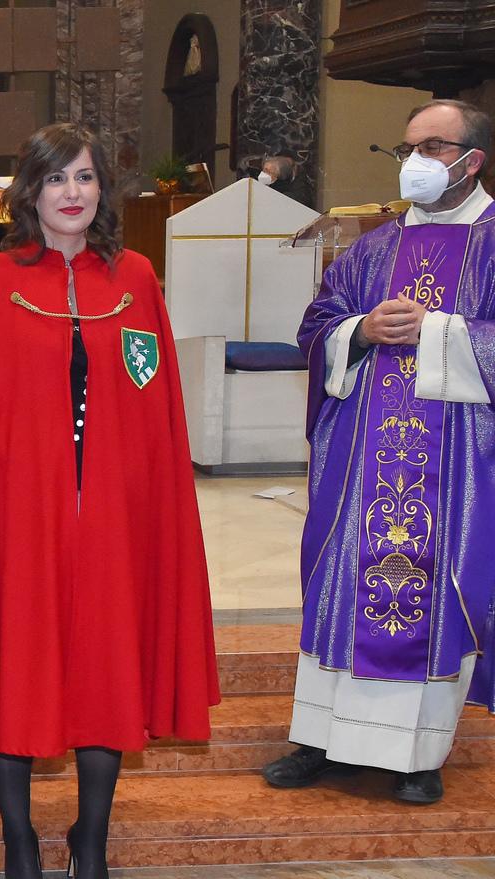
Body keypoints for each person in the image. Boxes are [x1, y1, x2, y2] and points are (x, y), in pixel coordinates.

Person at [0, 123, 220, 879]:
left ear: (102, 188)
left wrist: (142, 500)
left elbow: (155, 407)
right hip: (19, 515)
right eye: (55, 180)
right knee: (15, 662)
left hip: (112, 514)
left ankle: (92, 839)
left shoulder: (136, 277)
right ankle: (18, 841)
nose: (71, 194)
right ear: (29, 193)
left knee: (106, 667)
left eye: (83, 178)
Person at [262, 99, 495, 806]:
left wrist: (440, 330)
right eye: (408, 148)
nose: (416, 161)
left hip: (454, 466)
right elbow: (317, 325)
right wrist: (361, 329)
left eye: (433, 147)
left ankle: (417, 756)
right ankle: (321, 738)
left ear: (472, 160)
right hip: (360, 460)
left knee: (435, 590)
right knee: (341, 577)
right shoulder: (373, 246)